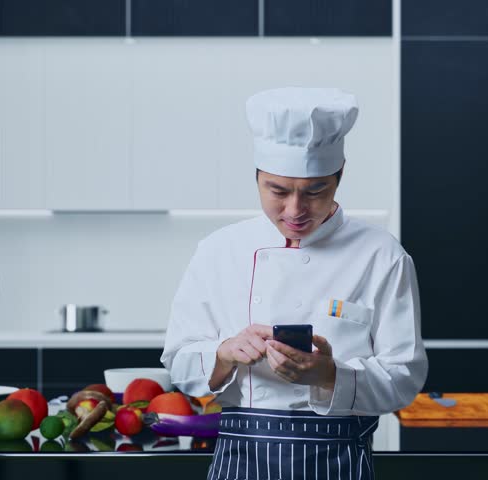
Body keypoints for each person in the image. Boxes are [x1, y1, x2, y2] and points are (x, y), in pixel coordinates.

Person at [161, 87, 428, 480]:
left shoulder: (382, 256)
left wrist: (328, 375)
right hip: (241, 459)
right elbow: (179, 361)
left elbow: (404, 378)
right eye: (278, 191)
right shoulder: (219, 250)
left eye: (315, 191)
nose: (295, 210)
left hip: (338, 461)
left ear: (338, 178)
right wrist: (224, 353)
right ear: (256, 179)